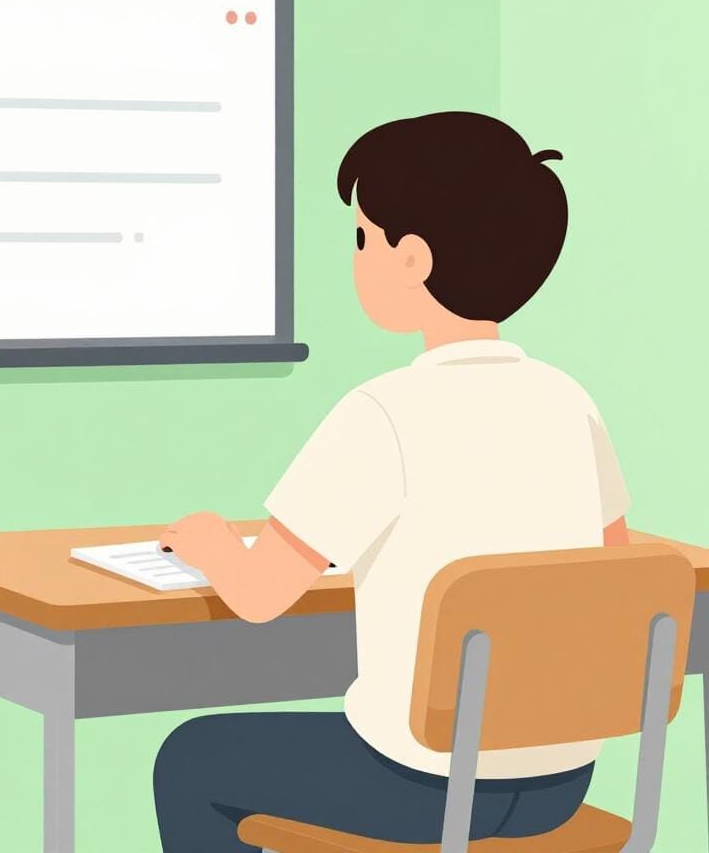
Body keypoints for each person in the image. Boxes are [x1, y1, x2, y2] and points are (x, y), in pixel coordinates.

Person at [153, 112, 631, 851]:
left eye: (361, 237)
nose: (356, 256)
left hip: (421, 791)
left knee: (188, 759)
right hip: (561, 787)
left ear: (412, 259)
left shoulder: (381, 411)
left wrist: (214, 543)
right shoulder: (572, 402)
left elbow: (258, 596)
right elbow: (609, 574)